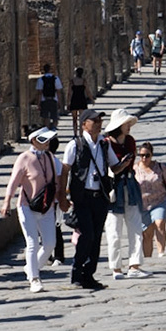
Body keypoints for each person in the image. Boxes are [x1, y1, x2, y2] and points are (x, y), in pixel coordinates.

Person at [60, 108, 117, 290]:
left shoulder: (104, 144)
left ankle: (89, 275)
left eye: (100, 120)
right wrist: (62, 195)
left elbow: (115, 166)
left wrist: (127, 162)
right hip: (82, 197)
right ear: (84, 124)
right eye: (94, 120)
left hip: (99, 197)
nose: (98, 123)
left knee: (96, 237)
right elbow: (65, 171)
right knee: (87, 235)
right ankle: (77, 273)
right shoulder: (75, 145)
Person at [3, 127, 63, 292]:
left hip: (47, 207)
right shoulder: (24, 158)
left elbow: (56, 182)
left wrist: (60, 200)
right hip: (27, 206)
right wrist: (6, 202)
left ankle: (31, 267)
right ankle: (34, 279)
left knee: (50, 243)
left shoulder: (50, 157)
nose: (48, 142)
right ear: (34, 141)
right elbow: (14, 182)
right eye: (44, 140)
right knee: (32, 243)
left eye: (48, 139)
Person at [101, 109, 148, 280]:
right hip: (115, 187)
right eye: (126, 124)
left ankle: (134, 265)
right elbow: (110, 167)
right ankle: (116, 268)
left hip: (130, 185)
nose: (129, 126)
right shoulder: (106, 144)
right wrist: (121, 165)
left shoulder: (130, 141)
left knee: (135, 226)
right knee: (113, 229)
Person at [130, 139, 166, 266]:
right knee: (147, 234)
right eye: (142, 155)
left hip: (160, 201)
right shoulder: (134, 169)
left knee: (160, 224)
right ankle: (148, 259)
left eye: (147, 155)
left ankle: (161, 252)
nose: (144, 158)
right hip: (142, 205)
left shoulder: (160, 168)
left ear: (152, 155)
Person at [32, 64, 63, 132]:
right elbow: (58, 92)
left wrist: (38, 103)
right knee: (55, 116)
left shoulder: (41, 79)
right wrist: (59, 102)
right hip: (53, 99)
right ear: (50, 69)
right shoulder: (56, 78)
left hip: (44, 100)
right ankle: (54, 128)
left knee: (46, 117)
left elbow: (39, 93)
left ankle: (47, 129)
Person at [68, 67, 90, 141]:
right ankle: (81, 134)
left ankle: (75, 134)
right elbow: (87, 91)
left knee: (74, 119)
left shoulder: (72, 81)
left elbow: (69, 93)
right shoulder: (84, 81)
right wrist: (92, 99)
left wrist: (68, 102)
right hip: (82, 100)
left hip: (74, 100)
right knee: (82, 118)